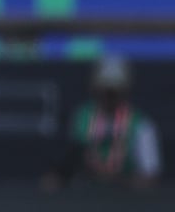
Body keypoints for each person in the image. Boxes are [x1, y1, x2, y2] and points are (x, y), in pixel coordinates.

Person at [42, 56, 162, 191]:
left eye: (114, 91)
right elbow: (69, 164)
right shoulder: (82, 117)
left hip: (127, 202)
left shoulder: (141, 124)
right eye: (105, 90)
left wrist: (114, 182)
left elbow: (150, 177)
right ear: (95, 89)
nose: (109, 96)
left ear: (125, 91)